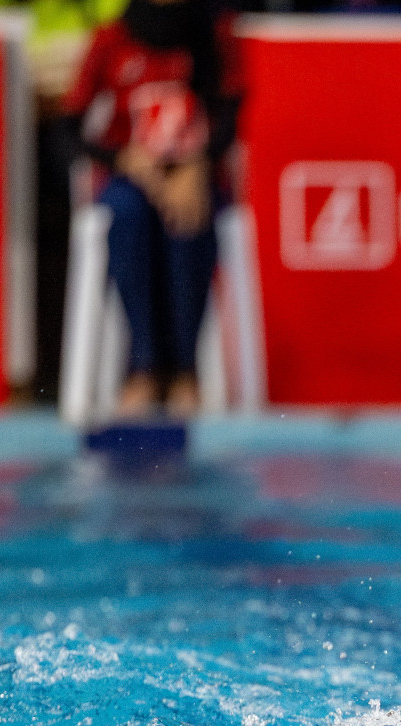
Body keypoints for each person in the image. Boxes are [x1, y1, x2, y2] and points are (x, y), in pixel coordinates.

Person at [59, 0, 243, 418]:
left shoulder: (215, 34)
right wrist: (124, 159)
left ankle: (185, 370)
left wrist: (197, 163)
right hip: (130, 174)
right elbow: (68, 129)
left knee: (189, 217)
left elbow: (231, 118)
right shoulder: (111, 39)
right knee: (129, 216)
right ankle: (142, 368)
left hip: (197, 175)